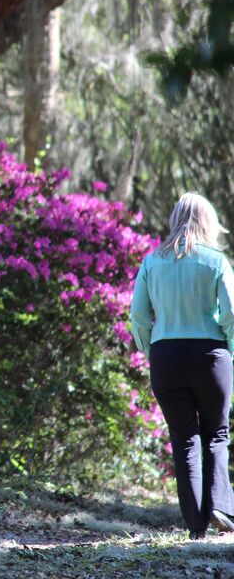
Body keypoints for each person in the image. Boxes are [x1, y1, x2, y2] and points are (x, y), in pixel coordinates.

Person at [131, 192, 234, 540]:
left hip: (166, 356)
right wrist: (231, 351)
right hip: (211, 356)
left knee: (184, 439)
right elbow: (232, 315)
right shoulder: (216, 261)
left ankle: (195, 526)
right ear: (208, 222)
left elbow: (139, 317)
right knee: (216, 434)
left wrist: (151, 351)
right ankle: (220, 505)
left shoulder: (150, 262)